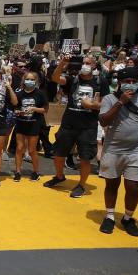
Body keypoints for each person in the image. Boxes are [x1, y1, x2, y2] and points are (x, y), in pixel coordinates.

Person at [98, 67, 138, 236]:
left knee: (133, 187)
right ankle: (110, 216)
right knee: (112, 184)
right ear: (119, 83)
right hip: (112, 150)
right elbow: (103, 121)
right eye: (127, 82)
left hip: (136, 151)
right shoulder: (110, 99)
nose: (131, 85)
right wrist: (121, 102)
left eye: (134, 82)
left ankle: (127, 218)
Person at [45, 55, 109, 198]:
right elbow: (55, 78)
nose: (84, 66)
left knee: (85, 157)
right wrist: (63, 62)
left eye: (87, 63)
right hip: (68, 124)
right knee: (58, 153)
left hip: (88, 126)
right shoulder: (73, 79)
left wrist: (92, 105)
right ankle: (59, 176)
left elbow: (105, 103)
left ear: (93, 66)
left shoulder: (100, 82)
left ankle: (81, 185)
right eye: (82, 63)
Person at [13, 71, 48, 181]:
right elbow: (15, 107)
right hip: (21, 123)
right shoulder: (19, 94)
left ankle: (36, 171)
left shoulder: (40, 94)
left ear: (36, 81)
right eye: (28, 79)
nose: (30, 81)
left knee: (32, 150)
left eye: (32, 80)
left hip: (34, 124)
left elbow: (45, 110)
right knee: (19, 148)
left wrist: (34, 109)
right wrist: (18, 112)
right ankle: (18, 171)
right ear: (24, 80)